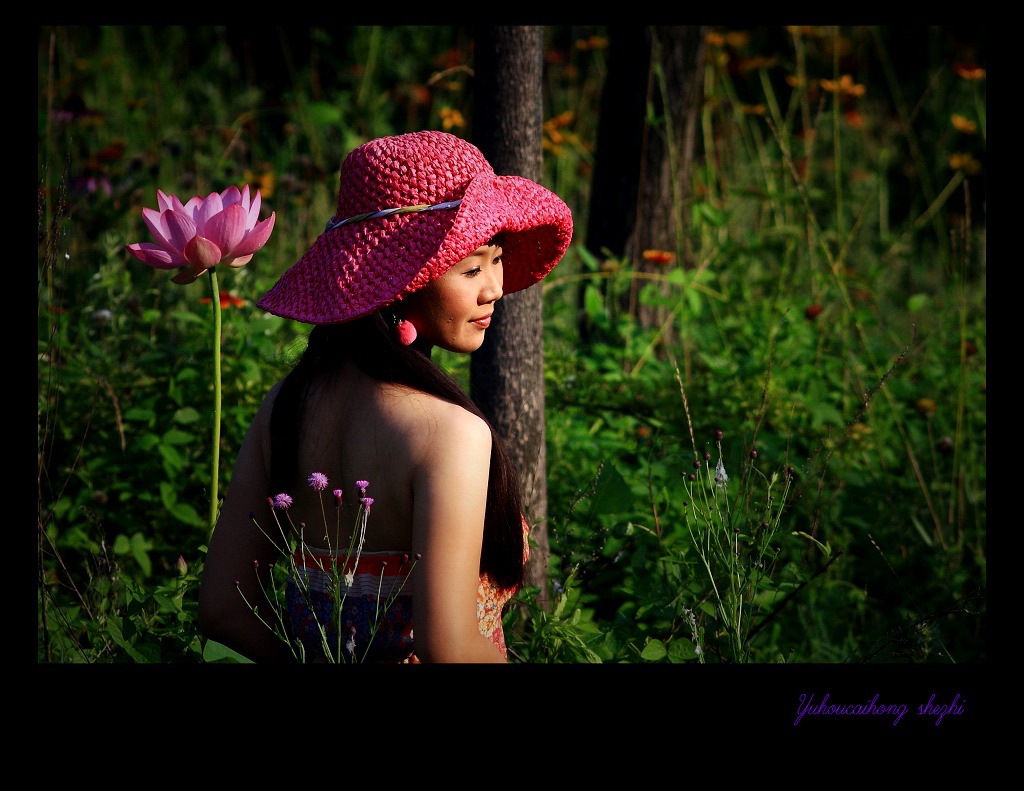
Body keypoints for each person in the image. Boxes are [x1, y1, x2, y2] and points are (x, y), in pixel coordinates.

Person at [198, 130, 573, 663]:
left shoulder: (286, 405)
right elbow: (450, 647)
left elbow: (221, 608)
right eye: (470, 268)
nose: (494, 288)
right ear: (402, 281)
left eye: (497, 259)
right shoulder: (450, 434)